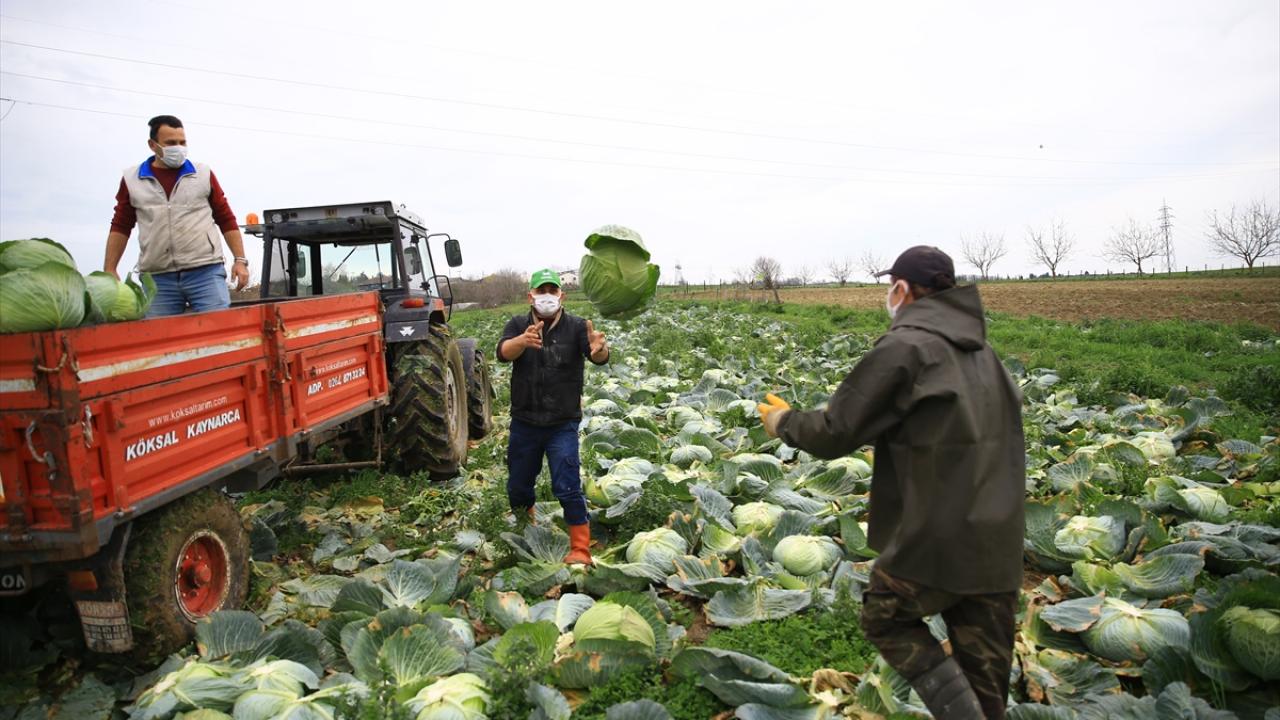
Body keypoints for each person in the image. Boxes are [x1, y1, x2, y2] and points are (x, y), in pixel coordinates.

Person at [757, 246, 1024, 720]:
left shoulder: (907, 347)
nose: (888, 295)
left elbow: (838, 430)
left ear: (902, 289)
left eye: (889, 286)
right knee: (984, 672)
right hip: (997, 540)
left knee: (885, 614)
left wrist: (783, 422)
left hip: (937, 538)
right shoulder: (986, 354)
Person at [497, 268, 610, 565]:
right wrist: (522, 342)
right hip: (525, 421)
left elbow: (597, 356)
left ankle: (580, 549)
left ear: (562, 295)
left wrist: (600, 349)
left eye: (552, 290)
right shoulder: (518, 324)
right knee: (519, 485)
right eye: (540, 290)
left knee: (567, 483)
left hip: (563, 422)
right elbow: (503, 352)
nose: (546, 295)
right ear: (530, 295)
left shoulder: (576, 327)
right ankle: (526, 529)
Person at [105, 115, 250, 317]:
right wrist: (110, 269)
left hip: (205, 272)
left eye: (182, 142)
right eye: (171, 143)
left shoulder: (202, 174)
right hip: (158, 279)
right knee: (160, 341)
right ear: (152, 145)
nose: (178, 148)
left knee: (218, 334)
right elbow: (121, 225)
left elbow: (225, 218)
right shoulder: (132, 180)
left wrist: (240, 260)